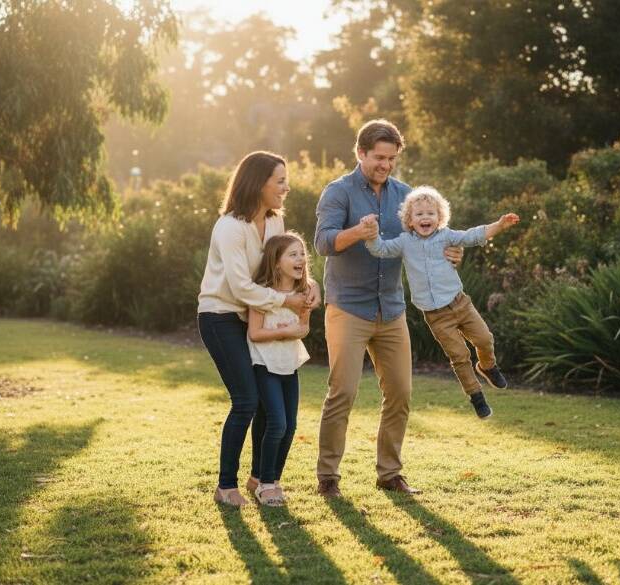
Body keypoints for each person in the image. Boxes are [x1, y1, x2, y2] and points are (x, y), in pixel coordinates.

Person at [313, 119, 462, 498]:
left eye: (392, 158)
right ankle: (328, 476)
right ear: (360, 153)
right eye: (379, 157)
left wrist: (449, 253)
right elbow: (323, 242)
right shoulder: (339, 192)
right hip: (349, 307)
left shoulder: (406, 196)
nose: (385, 165)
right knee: (342, 392)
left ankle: (389, 473)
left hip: (391, 309)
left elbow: (426, 238)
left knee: (400, 392)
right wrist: (357, 234)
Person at [198, 151, 319, 508]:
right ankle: (225, 485)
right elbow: (240, 288)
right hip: (220, 316)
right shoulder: (230, 228)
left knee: (268, 407)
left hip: (257, 315)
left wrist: (307, 288)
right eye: (280, 181)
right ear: (258, 183)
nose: (287, 187)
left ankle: (260, 479)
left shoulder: (276, 223)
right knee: (246, 401)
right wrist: (287, 303)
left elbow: (278, 269)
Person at [362, 186, 520, 419]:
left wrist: (499, 225)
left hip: (460, 304)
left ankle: (487, 366)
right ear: (410, 220)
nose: (425, 217)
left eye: (430, 213)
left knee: (484, 339)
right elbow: (380, 249)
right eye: (419, 214)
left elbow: (473, 236)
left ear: (439, 217)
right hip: (436, 315)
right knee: (459, 355)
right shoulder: (404, 242)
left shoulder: (446, 236)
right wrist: (371, 233)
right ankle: (476, 396)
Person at [245, 232, 312, 506]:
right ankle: (267, 485)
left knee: (291, 426)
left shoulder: (304, 293)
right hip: (264, 363)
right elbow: (254, 333)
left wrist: (295, 331)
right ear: (276, 262)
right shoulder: (263, 295)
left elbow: (304, 327)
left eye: (302, 254)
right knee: (277, 424)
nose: (300, 259)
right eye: (292, 254)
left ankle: (268, 478)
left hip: (289, 364)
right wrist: (282, 333)